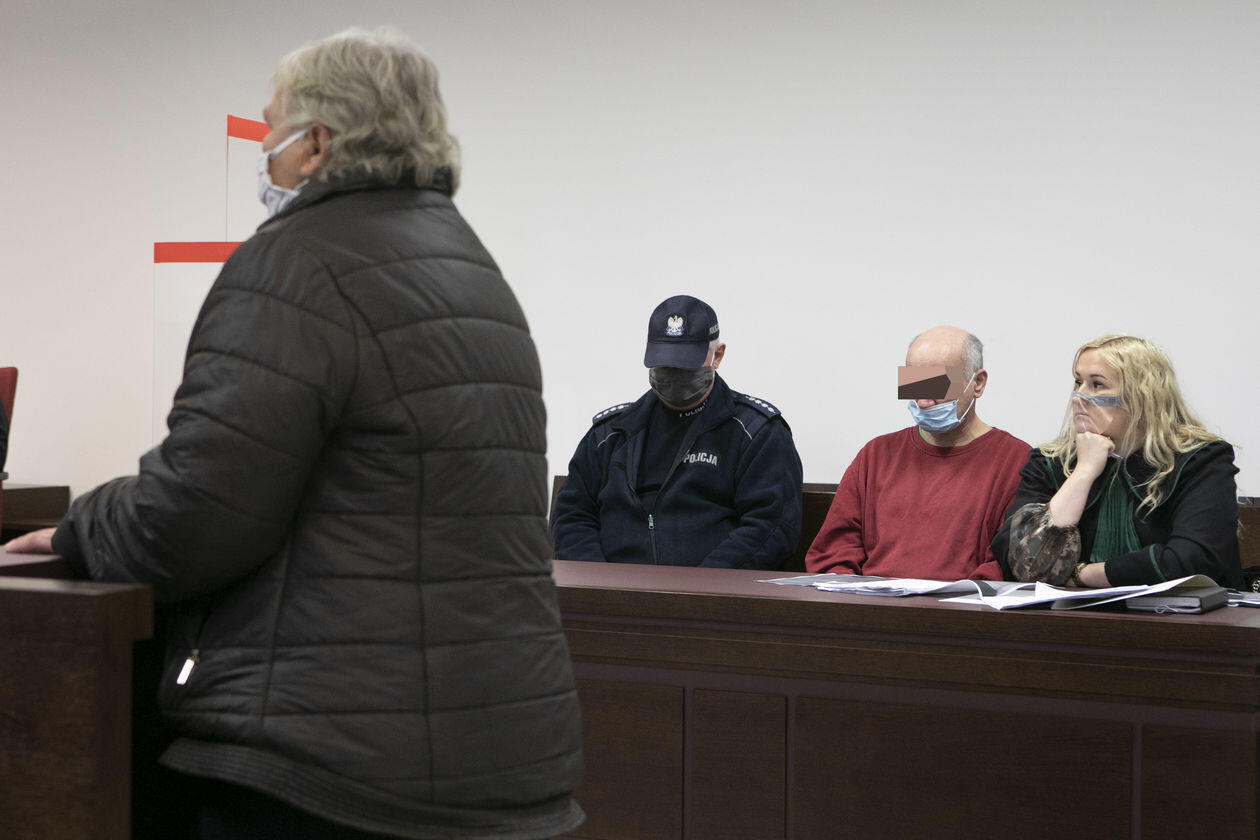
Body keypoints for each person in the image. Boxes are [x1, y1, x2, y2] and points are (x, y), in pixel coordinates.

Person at [7, 27, 583, 840]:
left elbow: (196, 517)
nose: (263, 152)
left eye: (270, 128)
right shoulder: (470, 270)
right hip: (492, 752)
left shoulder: (296, 265)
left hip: (331, 768)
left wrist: (81, 528)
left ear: (315, 144)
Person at [552, 294, 803, 568]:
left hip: (712, 589)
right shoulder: (609, 435)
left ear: (717, 356)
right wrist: (599, 582)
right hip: (612, 587)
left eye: (686, 363)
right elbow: (573, 516)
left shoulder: (756, 432)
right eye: (664, 362)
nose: (674, 372)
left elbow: (770, 526)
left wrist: (701, 586)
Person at [991, 334, 1240, 588]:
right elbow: (1017, 560)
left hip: (1181, 611)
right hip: (1070, 612)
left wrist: (1081, 574)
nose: (1078, 396)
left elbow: (1190, 560)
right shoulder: (1051, 462)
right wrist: (1084, 472)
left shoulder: (1200, 461)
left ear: (1142, 397)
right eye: (1078, 382)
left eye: (1097, 384)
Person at [805, 326, 1030, 580]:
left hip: (963, 603)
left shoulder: (1016, 462)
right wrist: (851, 592)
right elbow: (833, 552)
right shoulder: (875, 456)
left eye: (938, 385)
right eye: (915, 384)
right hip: (871, 600)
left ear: (977, 383)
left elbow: (1008, 563)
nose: (923, 402)